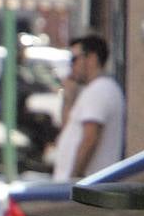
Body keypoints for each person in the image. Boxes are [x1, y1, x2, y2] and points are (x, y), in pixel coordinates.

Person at [52, 34, 125, 180]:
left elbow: (90, 137)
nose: (71, 66)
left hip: (86, 188)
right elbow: (68, 130)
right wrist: (69, 98)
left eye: (74, 59)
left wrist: (74, 178)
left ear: (92, 58)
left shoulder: (100, 90)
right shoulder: (90, 91)